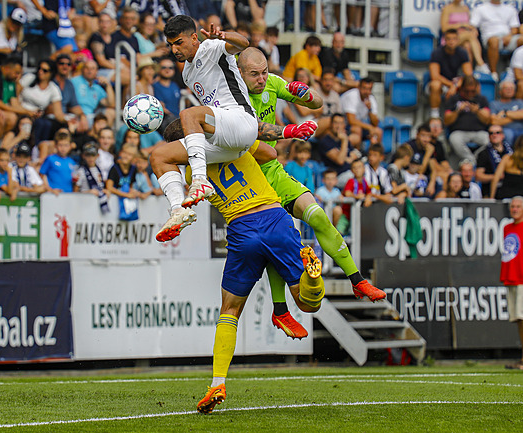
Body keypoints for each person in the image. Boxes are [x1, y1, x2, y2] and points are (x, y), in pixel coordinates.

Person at [162, 119, 323, 414]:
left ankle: (217, 383)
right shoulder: (230, 143)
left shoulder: (189, 173)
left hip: (241, 230)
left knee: (230, 310)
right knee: (308, 304)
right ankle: (313, 278)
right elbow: (270, 155)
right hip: (273, 217)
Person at [236, 47, 386, 336]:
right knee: (274, 239)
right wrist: (290, 130)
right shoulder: (233, 96)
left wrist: (302, 91)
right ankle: (280, 310)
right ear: (240, 73)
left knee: (317, 215)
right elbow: (254, 130)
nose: (262, 78)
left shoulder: (272, 83)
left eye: (265, 71)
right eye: (254, 74)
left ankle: (357, 280)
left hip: (274, 172)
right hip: (250, 180)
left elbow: (317, 103)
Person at [151, 16, 314, 241]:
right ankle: (178, 210)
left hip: (241, 120)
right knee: (159, 155)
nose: (174, 49)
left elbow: (243, 44)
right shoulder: (187, 73)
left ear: (194, 37)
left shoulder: (211, 47)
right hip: (226, 140)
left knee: (189, 114)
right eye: (171, 45)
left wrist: (224, 35)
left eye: (179, 42)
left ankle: (199, 181)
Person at [443, 74, 491, 166]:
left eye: (472, 91)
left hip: (479, 132)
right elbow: (446, 121)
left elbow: (487, 120)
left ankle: (474, 159)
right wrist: (457, 111)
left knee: (490, 140)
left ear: (476, 88)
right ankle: (471, 160)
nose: (470, 94)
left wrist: (477, 111)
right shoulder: (454, 99)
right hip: (459, 132)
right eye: (467, 91)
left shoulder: (481, 99)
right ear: (462, 88)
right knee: (454, 139)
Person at [470, 0, 522, 81]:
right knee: (494, 41)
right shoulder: (481, 9)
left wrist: (509, 36)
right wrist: (474, 30)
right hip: (490, 37)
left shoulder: (510, 9)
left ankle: (514, 66)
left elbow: (515, 28)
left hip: (508, 38)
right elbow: (473, 25)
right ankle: (493, 72)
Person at [428, 29, 473, 119]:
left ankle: (473, 110)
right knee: (435, 85)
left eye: (454, 39)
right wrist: (451, 85)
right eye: (449, 39)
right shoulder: (437, 53)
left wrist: (455, 86)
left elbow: (468, 74)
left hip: (456, 83)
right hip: (442, 84)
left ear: (458, 40)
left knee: (473, 83)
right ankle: (434, 114)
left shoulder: (462, 52)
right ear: (444, 40)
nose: (451, 42)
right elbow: (435, 76)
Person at [500, 196, 523, 370]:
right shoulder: (507, 228)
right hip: (512, 277)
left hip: (522, 278)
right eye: (512, 206)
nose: (514, 209)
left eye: (518, 207)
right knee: (518, 319)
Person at [440, 0, 488, 73]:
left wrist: (473, 29)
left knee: (468, 46)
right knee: (469, 35)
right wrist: (460, 25)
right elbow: (444, 28)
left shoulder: (465, 8)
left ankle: (468, 73)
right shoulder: (447, 9)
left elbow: (468, 25)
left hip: (464, 37)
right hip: (451, 39)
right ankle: (480, 63)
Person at [340, 77, 383, 150]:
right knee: (357, 129)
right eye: (364, 88)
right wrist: (369, 127)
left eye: (369, 89)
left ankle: (373, 156)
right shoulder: (352, 96)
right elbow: (351, 121)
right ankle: (358, 155)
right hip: (344, 125)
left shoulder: (371, 99)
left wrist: (370, 110)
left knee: (378, 132)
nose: (366, 91)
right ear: (359, 87)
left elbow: (375, 123)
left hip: (360, 126)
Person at [72, 60, 115, 126]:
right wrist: (81, 115)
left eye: (92, 68)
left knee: (111, 112)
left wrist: (108, 85)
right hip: (76, 115)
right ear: (83, 70)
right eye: (87, 68)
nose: (89, 71)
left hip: (91, 116)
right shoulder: (75, 81)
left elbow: (110, 103)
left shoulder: (97, 88)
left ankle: (105, 135)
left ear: (96, 71)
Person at [476, 125, 513, 197]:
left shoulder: (511, 152)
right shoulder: (483, 153)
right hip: (490, 191)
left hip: (510, 189)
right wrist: (496, 177)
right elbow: (478, 176)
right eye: (491, 133)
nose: (494, 135)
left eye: (497, 132)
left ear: (503, 135)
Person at [40, 129, 78, 193]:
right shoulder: (50, 159)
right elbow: (41, 175)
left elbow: (74, 178)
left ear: (70, 146)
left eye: (66, 145)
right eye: (60, 145)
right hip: (54, 194)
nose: (63, 148)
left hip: (68, 195)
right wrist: (49, 189)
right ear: (56, 146)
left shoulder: (72, 161)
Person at [490, 81, 523, 146]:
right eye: (506, 88)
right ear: (500, 91)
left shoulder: (519, 102)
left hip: (521, 129)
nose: (509, 90)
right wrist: (516, 116)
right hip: (505, 130)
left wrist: (505, 113)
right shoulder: (494, 104)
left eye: (511, 88)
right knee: (508, 134)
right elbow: (494, 121)